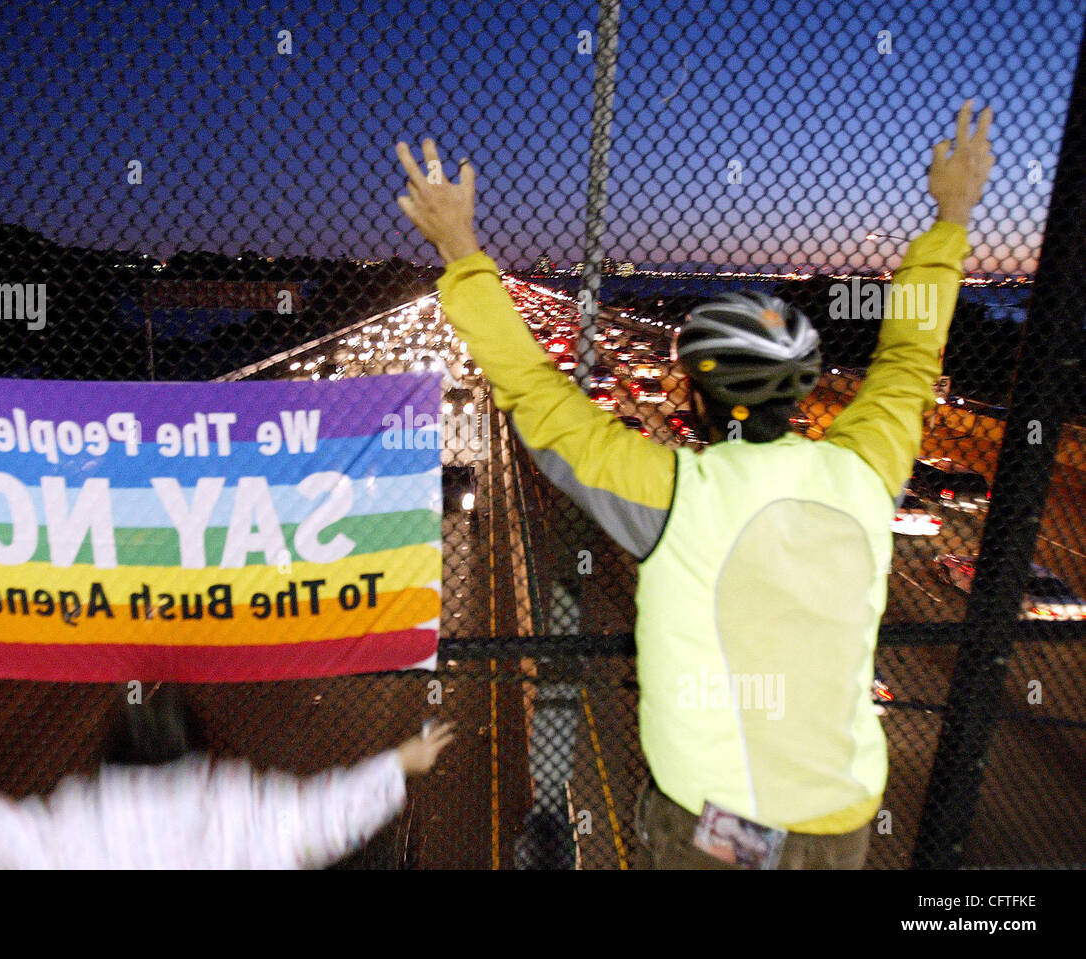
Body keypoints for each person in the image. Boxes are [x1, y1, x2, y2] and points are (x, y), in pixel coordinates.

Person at [393, 99, 994, 869]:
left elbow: (537, 397)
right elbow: (911, 360)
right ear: (801, 390)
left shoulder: (668, 488)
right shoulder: (866, 470)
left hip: (714, 830)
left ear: (695, 398)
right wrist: (954, 216)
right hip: (841, 820)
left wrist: (460, 247)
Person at [0, 685, 454, 869]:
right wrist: (397, 764)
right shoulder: (231, 804)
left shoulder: (86, 816)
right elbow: (321, 817)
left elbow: (15, 844)